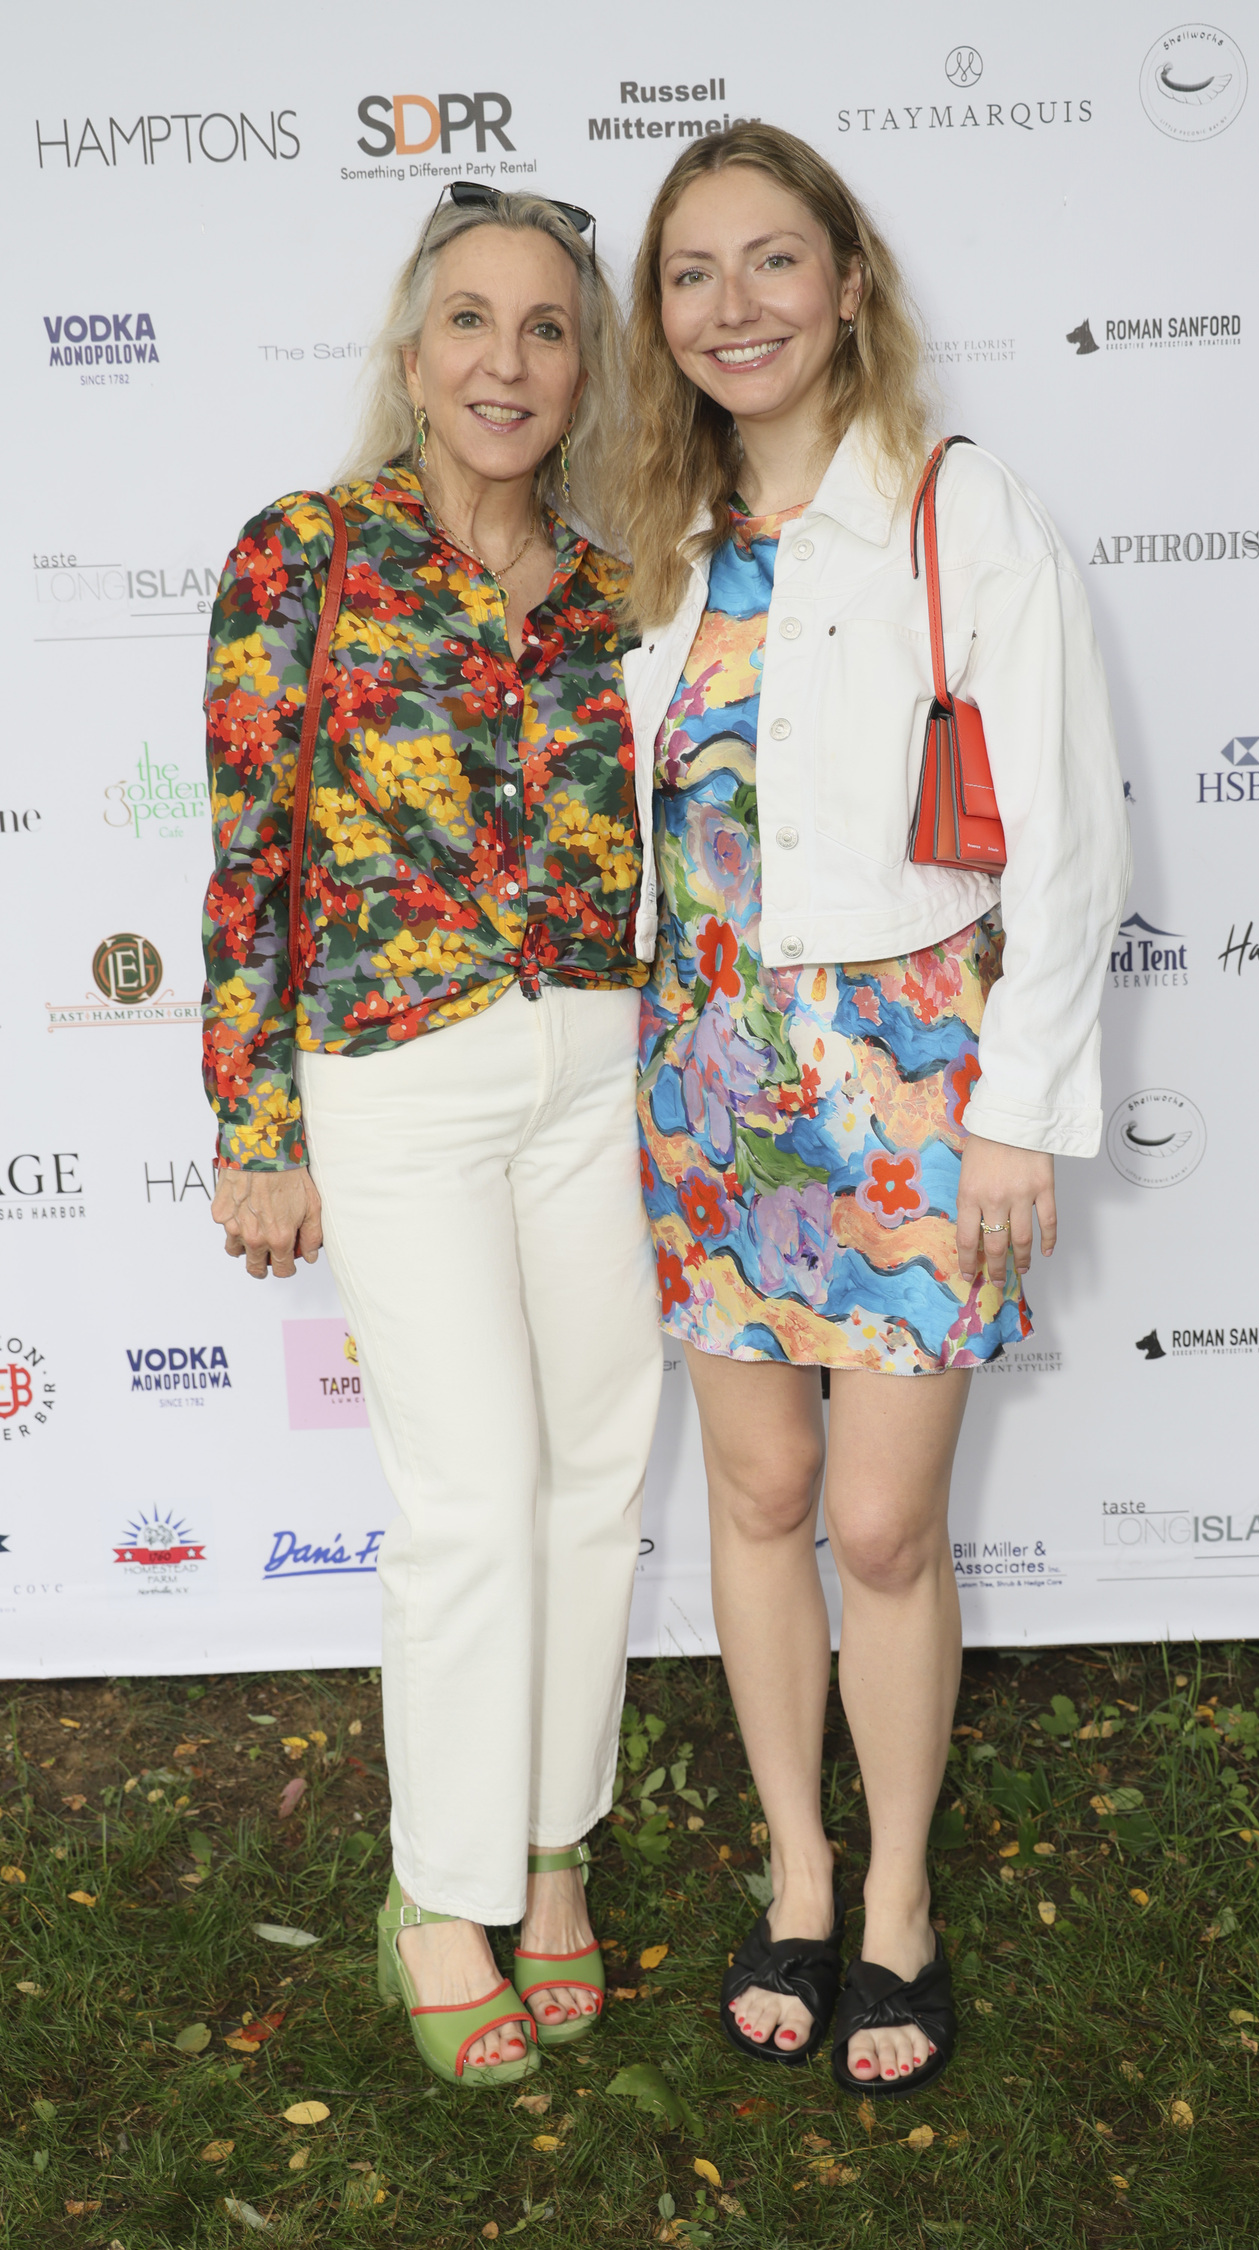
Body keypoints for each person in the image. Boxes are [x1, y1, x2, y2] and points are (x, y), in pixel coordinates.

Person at [622, 125, 1130, 2097]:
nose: (732, 307)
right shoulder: (648, 535)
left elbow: (1067, 838)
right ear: (660, 315)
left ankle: (903, 1894)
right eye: (691, 274)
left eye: (771, 263)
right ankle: (800, 1869)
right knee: (754, 1500)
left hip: (915, 1082)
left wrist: (1020, 1117)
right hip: (704, 1082)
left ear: (847, 280)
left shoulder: (954, 508)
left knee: (881, 1521)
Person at [200, 186, 661, 2086]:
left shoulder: (619, 582)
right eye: (470, 322)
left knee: (592, 1477)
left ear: (582, 372)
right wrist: (256, 1122)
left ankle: (551, 1843)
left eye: (546, 329)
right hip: (395, 1069)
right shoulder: (302, 555)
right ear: (411, 359)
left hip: (594, 1059)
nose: (506, 360)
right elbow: (249, 858)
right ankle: (439, 1884)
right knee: (469, 1492)